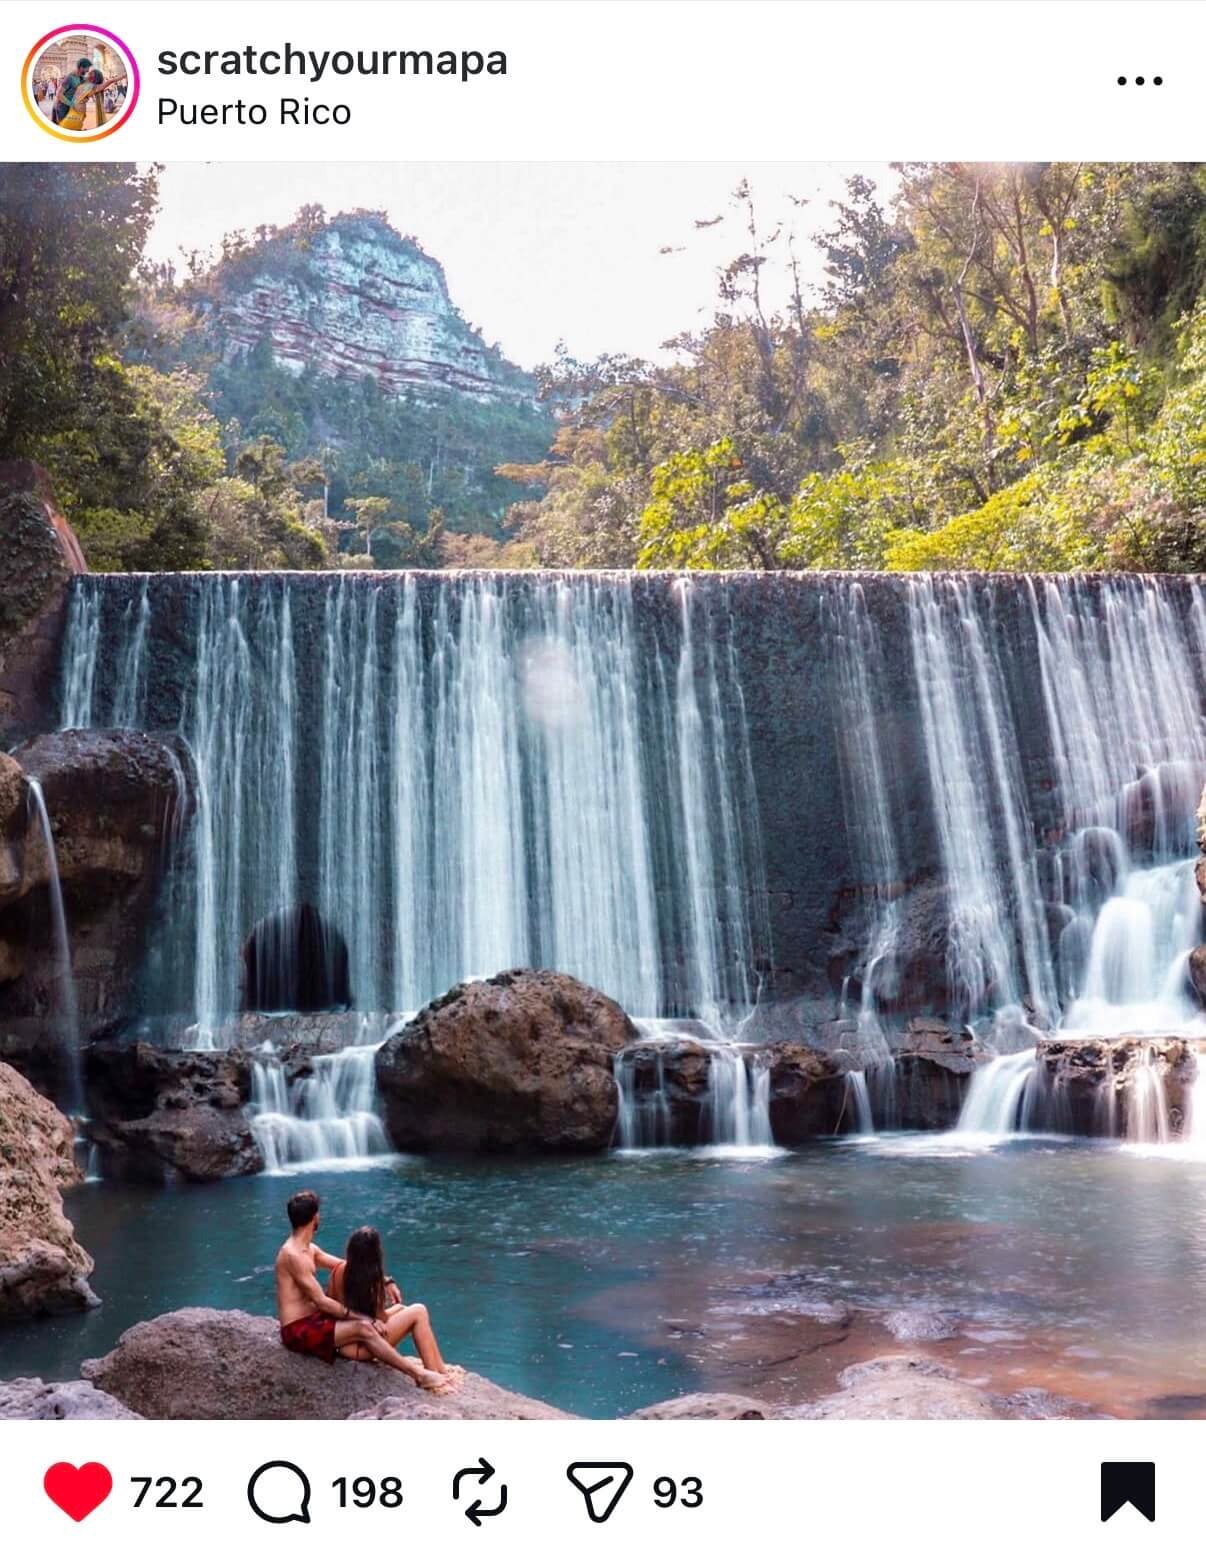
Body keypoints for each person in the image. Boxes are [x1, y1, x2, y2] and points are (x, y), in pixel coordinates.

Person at [274, 1189, 453, 1391]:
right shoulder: (293, 1255)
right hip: (298, 1330)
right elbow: (321, 1301)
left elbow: (351, 1265)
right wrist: (363, 1318)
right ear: (315, 1217)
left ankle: (440, 1372)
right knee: (364, 1328)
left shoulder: (310, 1249)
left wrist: (385, 1280)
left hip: (315, 1321)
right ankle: (418, 1375)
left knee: (402, 1310)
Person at [328, 1225, 462, 1381]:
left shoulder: (338, 1270)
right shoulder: (373, 1280)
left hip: (342, 1343)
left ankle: (440, 1370)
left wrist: (397, 1308)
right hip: (362, 1347)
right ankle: (434, 1371)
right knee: (419, 1311)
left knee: (406, 1309)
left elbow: (335, 1307)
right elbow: (382, 1320)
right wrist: (392, 1308)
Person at [52, 57, 93, 125]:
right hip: (64, 107)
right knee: (64, 128)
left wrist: (86, 98)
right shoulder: (69, 78)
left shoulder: (82, 78)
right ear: (81, 67)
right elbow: (58, 94)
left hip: (73, 108)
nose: (88, 70)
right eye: (87, 68)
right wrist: (71, 104)